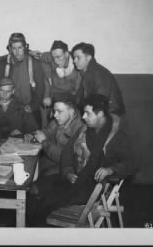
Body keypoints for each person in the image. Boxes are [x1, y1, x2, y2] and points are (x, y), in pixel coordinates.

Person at [27, 94, 133, 226]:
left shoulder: (117, 136)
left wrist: (111, 169)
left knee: (43, 202)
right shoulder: (85, 130)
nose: (83, 117)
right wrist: (68, 171)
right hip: (77, 178)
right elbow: (66, 154)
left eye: (87, 114)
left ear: (100, 114)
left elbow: (132, 162)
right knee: (36, 195)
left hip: (93, 188)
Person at [0, 33, 45, 127]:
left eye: (20, 48)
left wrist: (33, 106)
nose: (17, 52)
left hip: (31, 107)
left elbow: (40, 88)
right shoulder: (3, 64)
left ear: (25, 47)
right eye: (14, 48)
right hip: (11, 109)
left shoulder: (35, 64)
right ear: (10, 49)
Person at [32, 93, 86, 179]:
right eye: (54, 111)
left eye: (59, 111)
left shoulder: (80, 130)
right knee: (31, 167)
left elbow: (64, 158)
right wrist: (35, 135)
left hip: (65, 169)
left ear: (71, 111)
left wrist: (44, 142)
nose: (55, 115)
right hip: (50, 160)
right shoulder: (60, 120)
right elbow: (47, 131)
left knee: (38, 178)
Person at [72, 42, 126, 117]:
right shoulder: (86, 73)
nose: (74, 61)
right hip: (97, 112)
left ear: (88, 57)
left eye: (78, 57)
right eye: (74, 58)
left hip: (111, 114)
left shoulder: (99, 73)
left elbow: (101, 100)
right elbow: (79, 99)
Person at [39, 40, 82, 108]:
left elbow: (75, 94)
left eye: (59, 57)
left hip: (68, 101)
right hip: (52, 96)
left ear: (66, 54)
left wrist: (53, 100)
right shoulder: (51, 58)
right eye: (54, 57)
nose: (56, 61)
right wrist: (48, 76)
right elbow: (44, 57)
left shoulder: (77, 68)